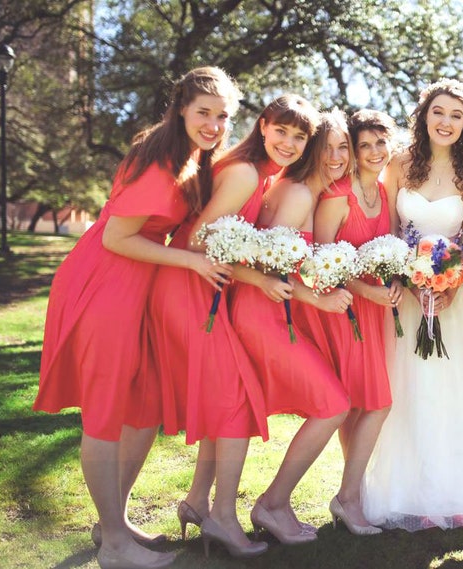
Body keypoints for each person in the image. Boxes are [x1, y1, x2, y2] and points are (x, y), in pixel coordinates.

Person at [34, 66, 241, 569]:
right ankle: (114, 547)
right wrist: (193, 260)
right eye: (204, 113)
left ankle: (114, 523)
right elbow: (116, 238)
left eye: (223, 116)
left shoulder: (188, 156)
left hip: (139, 284)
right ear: (181, 109)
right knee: (105, 413)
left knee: (143, 407)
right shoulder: (159, 163)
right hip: (106, 283)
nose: (214, 125)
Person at [146, 94, 320, 558]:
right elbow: (202, 239)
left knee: (227, 398)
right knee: (235, 401)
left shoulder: (260, 174)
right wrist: (260, 277)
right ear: (263, 125)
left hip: (208, 287)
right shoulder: (244, 173)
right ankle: (222, 517)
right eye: (281, 130)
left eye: (299, 137)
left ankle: (200, 503)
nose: (288, 142)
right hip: (189, 287)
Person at [363, 79, 463, 531]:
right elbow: (388, 230)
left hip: (454, 298)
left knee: (454, 388)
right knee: (410, 390)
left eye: (456, 116)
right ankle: (410, 493)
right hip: (407, 297)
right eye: (438, 112)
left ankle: (459, 493)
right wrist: (405, 279)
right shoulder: (400, 164)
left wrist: (448, 282)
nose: (446, 122)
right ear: (424, 115)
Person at [228, 111, 352, 544]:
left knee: (323, 402)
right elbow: (268, 268)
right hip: (262, 311)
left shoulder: (305, 192)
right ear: (312, 150)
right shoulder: (298, 193)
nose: (336, 157)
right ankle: (273, 504)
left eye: (344, 148)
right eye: (327, 147)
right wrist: (318, 298)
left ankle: (209, 503)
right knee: (333, 404)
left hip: (275, 310)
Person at [313, 109, 402, 535]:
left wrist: (399, 280)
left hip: (376, 309)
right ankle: (348, 497)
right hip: (344, 307)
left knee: (361, 404)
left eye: (380, 142)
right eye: (363, 144)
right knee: (375, 403)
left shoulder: (386, 193)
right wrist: (367, 292)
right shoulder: (336, 193)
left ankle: (354, 494)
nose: (373, 152)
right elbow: (321, 259)